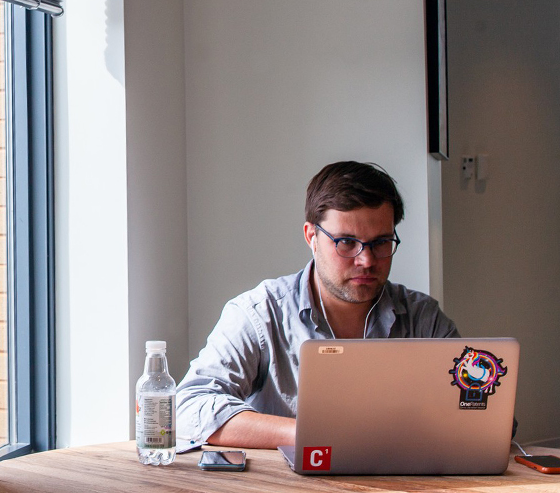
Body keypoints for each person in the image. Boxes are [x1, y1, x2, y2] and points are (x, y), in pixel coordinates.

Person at [175, 161, 459, 449]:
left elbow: (477, 415)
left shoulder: (424, 319)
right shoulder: (260, 313)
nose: (367, 260)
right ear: (311, 236)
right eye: (347, 242)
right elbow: (189, 407)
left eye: (381, 242)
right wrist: (308, 435)